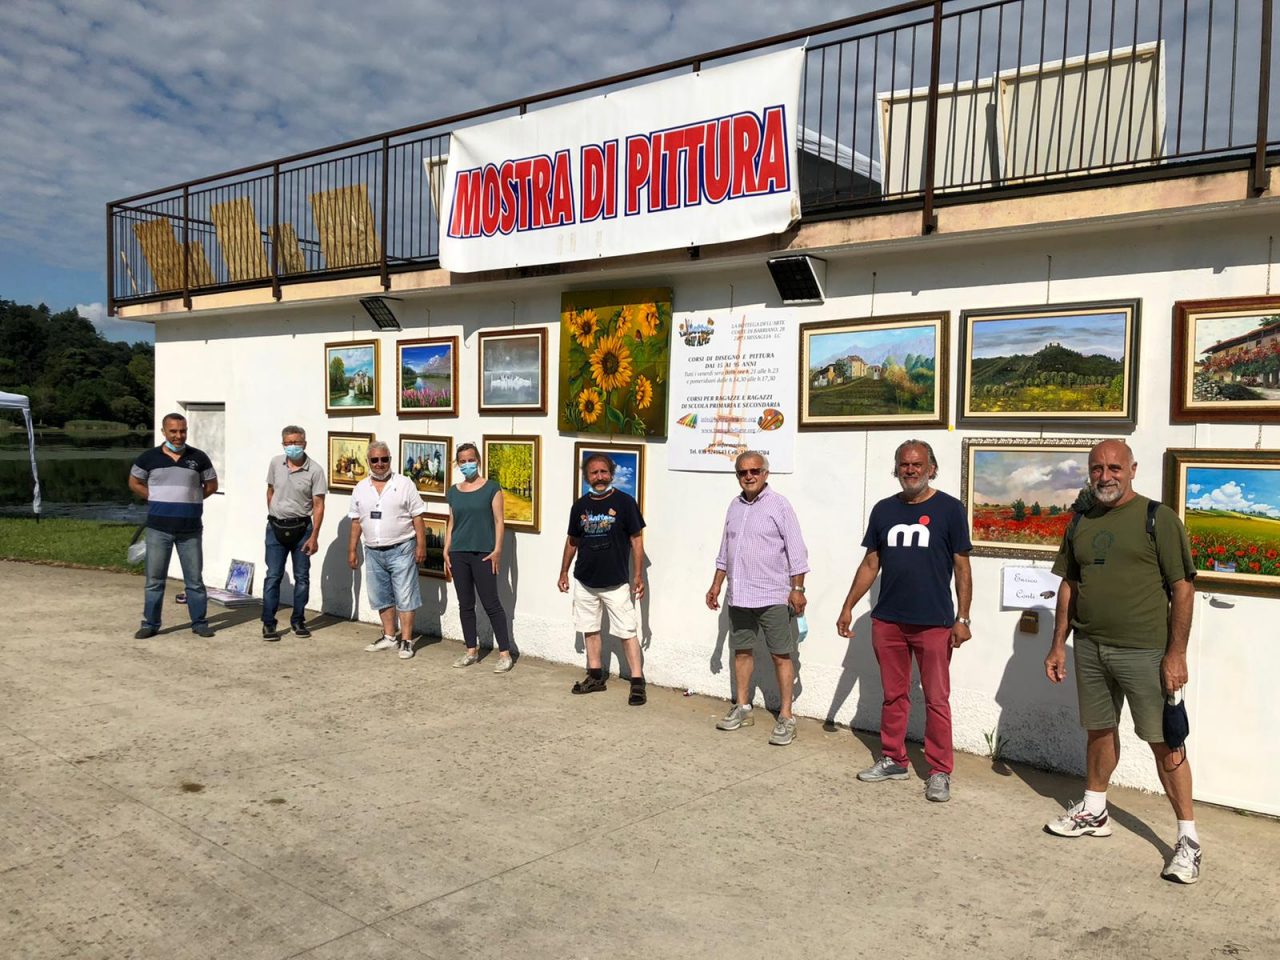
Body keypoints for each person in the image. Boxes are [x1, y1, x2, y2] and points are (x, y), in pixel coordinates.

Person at [1044, 439, 1201, 884]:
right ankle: (1095, 810)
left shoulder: (1158, 518)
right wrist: (1059, 643)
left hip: (1147, 653)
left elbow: (1183, 589)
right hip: (1091, 647)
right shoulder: (1081, 521)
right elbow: (1069, 586)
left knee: (1166, 743)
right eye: (1097, 468)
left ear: (1132, 469)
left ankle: (1188, 840)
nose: (1105, 476)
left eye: (1115, 467)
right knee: (1098, 730)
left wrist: (1176, 654)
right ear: (1088, 472)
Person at [836, 439, 972, 802]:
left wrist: (963, 617)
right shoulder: (883, 511)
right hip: (889, 621)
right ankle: (893, 759)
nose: (910, 470)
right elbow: (870, 564)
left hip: (934, 622)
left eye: (917, 464)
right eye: (904, 464)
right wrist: (849, 605)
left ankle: (940, 770)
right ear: (896, 469)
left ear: (932, 468)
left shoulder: (950, 509)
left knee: (936, 699)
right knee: (893, 695)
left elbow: (962, 567)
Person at [705, 450, 808, 746]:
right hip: (739, 594)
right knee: (742, 651)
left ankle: (787, 716)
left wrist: (797, 589)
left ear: (765, 473)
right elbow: (725, 551)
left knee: (780, 654)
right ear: (737, 475)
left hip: (774, 594)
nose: (749, 476)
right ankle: (743, 706)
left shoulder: (780, 505)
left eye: (755, 471)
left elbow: (797, 551)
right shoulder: (734, 506)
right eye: (743, 472)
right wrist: (716, 586)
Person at [557, 452, 648, 705]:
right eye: (594, 472)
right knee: (590, 628)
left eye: (603, 472)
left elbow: (636, 540)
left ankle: (637, 681)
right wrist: (564, 571)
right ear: (586, 476)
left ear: (611, 474)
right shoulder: (579, 506)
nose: (599, 477)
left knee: (627, 631)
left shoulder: (625, 503)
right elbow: (573, 541)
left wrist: (638, 574)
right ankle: (595, 675)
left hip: (616, 582)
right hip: (585, 581)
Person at [128, 412, 218, 638]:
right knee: (154, 580)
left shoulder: (199, 458)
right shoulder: (149, 458)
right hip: (159, 529)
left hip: (190, 529)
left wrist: (191, 498)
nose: (179, 436)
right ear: (163, 432)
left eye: (183, 431)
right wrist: (154, 497)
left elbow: (211, 485)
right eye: (174, 431)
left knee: (194, 581)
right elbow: (134, 482)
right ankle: (150, 623)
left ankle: (199, 622)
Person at [347, 440, 427, 660]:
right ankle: (390, 636)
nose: (380, 464)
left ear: (390, 460)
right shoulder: (360, 488)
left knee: (405, 595)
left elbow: (418, 517)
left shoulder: (404, 484)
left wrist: (421, 545)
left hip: (401, 547)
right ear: (368, 462)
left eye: (384, 459)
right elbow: (356, 521)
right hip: (373, 550)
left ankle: (407, 641)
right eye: (375, 460)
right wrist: (352, 550)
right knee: (381, 596)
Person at [444, 442, 514, 672]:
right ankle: (471, 650)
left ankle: (505, 653)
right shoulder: (453, 491)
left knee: (491, 603)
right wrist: (447, 548)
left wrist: (497, 550)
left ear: (478, 460)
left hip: (484, 553)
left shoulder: (492, 488)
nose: (467, 465)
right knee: (465, 604)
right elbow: (452, 522)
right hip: (458, 553)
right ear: (457, 463)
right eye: (462, 461)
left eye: (470, 460)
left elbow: (499, 521)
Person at [261, 425, 326, 640]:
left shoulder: (315, 470)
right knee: (273, 576)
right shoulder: (275, 463)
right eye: (288, 443)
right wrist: (274, 513)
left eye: (296, 443)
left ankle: (298, 620)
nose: (292, 447)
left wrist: (314, 536)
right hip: (276, 527)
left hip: (302, 529)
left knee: (302, 577)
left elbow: (318, 505)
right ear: (283, 444)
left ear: (304, 443)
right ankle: (269, 623)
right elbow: (270, 491)